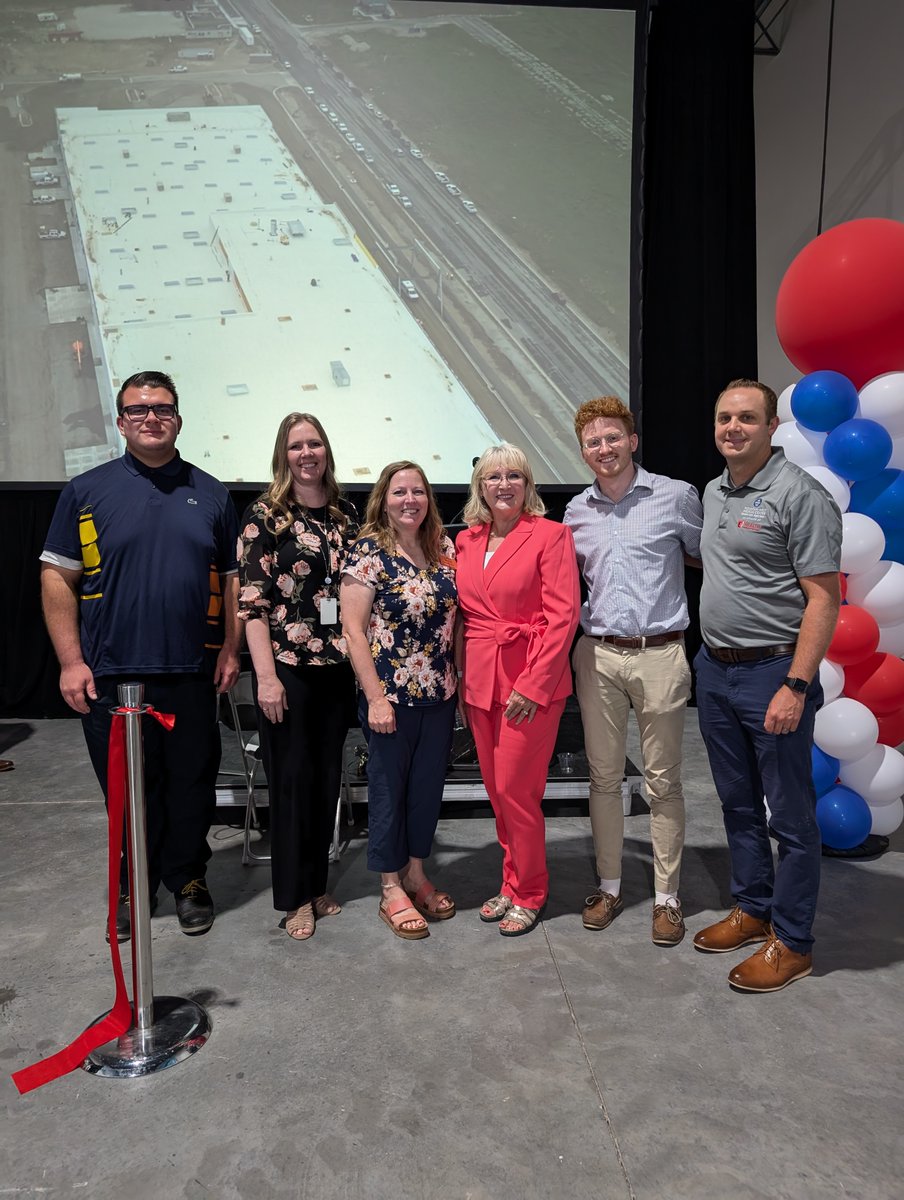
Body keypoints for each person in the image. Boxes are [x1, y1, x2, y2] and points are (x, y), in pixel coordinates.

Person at [40, 370, 240, 939]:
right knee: (128, 791)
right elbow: (58, 577)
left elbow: (229, 579)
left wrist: (229, 648)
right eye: (139, 409)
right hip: (113, 676)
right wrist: (71, 661)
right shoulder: (86, 490)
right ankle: (133, 883)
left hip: (193, 672)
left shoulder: (214, 493)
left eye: (162, 407)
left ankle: (188, 879)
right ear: (121, 421)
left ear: (178, 416)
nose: (151, 417)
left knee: (191, 783)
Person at [694, 379, 841, 992]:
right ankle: (753, 909)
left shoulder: (798, 496)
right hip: (715, 670)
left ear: (772, 426)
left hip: (771, 675)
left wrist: (796, 684)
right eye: (725, 417)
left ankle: (794, 940)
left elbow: (824, 598)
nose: (733, 428)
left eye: (747, 418)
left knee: (791, 817)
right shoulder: (714, 490)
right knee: (735, 802)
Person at [564, 396, 703, 945]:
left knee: (663, 781)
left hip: (661, 652)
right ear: (583, 451)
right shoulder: (576, 512)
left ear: (632, 440)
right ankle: (611, 886)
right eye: (593, 442)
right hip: (596, 654)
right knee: (602, 778)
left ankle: (668, 899)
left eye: (612, 437)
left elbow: (705, 554)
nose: (604, 448)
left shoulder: (675, 495)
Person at [237, 413, 358, 941]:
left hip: (336, 669)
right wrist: (266, 677)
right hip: (287, 672)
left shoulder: (344, 513)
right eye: (296, 446)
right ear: (282, 455)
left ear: (326, 450)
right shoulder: (266, 515)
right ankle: (292, 899)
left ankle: (316, 884)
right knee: (289, 783)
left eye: (314, 444)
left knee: (325, 780)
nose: (306, 453)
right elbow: (252, 606)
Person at [455, 444, 580, 937]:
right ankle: (510, 882)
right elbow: (465, 617)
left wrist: (533, 683)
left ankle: (530, 890)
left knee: (517, 792)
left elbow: (563, 616)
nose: (503, 484)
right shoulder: (466, 541)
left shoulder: (551, 536)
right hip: (480, 683)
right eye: (493, 477)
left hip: (530, 681)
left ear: (528, 486)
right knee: (496, 791)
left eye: (514, 476)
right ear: (480, 487)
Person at [340, 461, 458, 940]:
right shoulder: (367, 553)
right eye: (399, 492)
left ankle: (415, 872)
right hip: (390, 698)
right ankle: (390, 886)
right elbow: (352, 630)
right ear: (383, 500)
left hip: (440, 693)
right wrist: (375, 699)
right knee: (390, 791)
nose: (409, 499)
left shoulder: (443, 547)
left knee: (427, 791)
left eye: (418, 491)